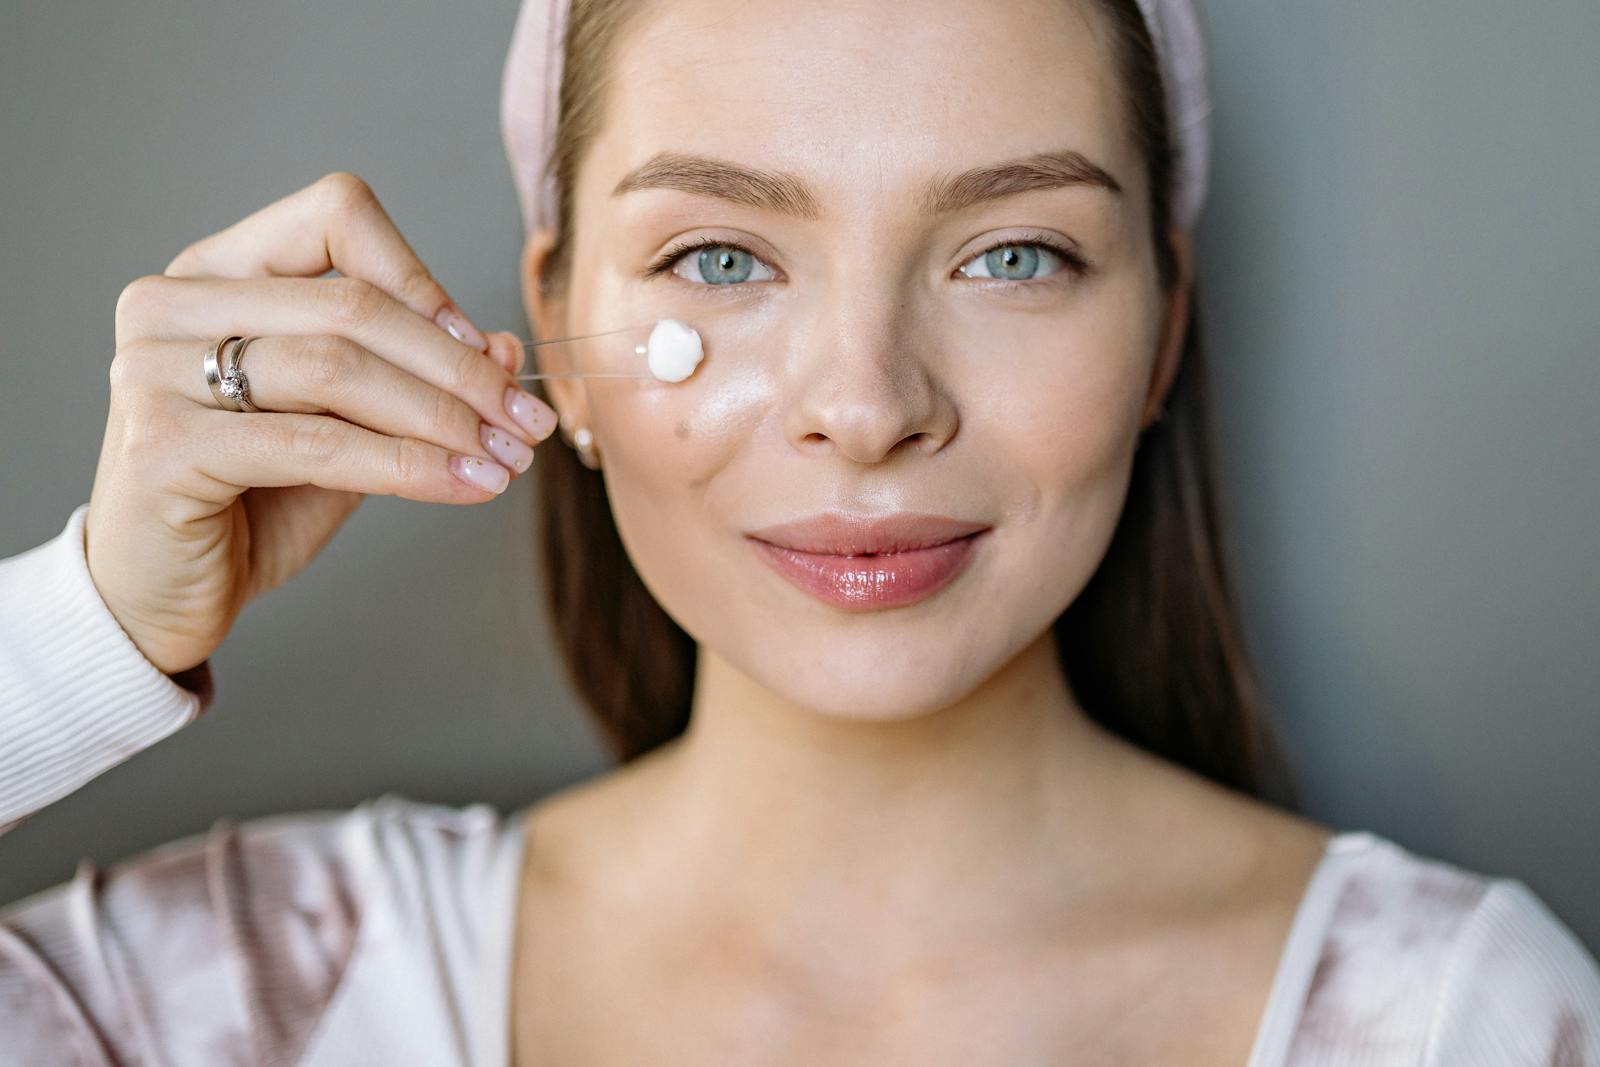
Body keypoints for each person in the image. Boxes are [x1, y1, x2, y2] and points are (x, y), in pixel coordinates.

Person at [3, 0, 1598, 1062]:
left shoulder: (1454, 1022)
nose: (867, 402)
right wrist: (90, 627)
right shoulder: (233, 996)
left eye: (1015, 256)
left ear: (1165, 329)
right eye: (717, 257)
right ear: (552, 313)